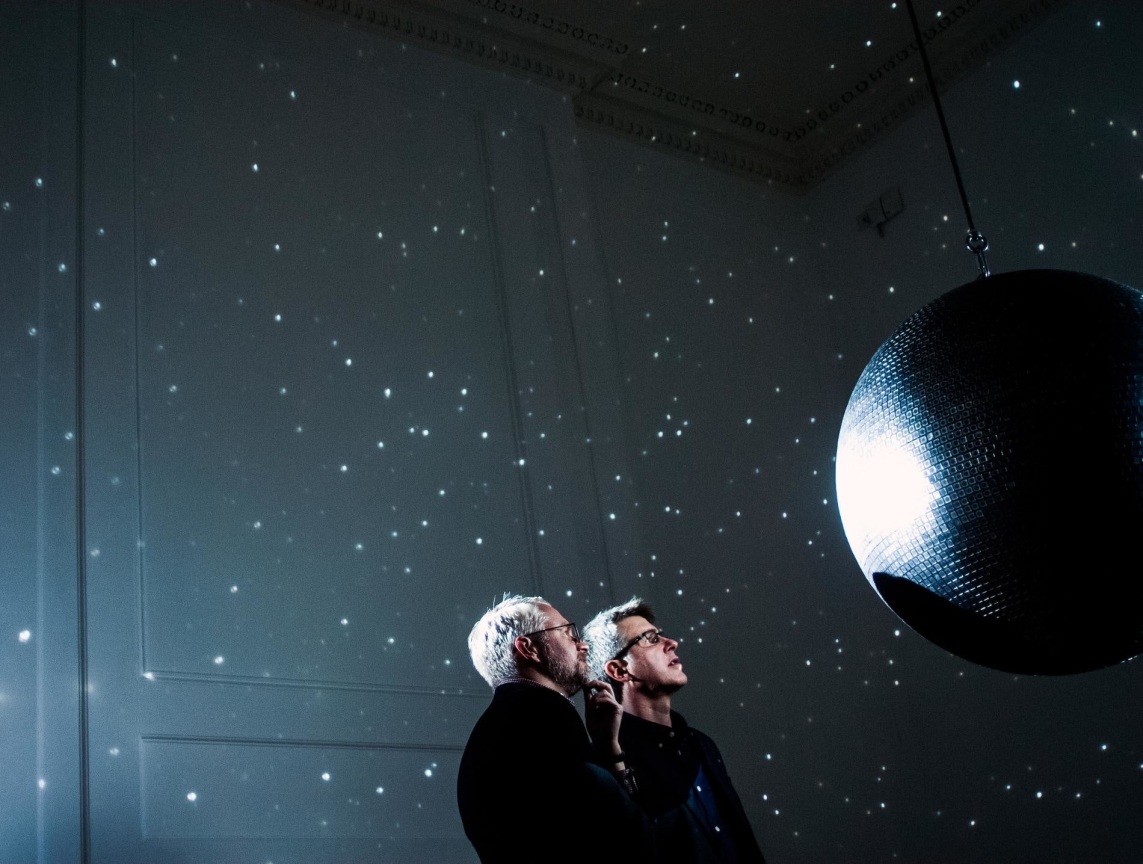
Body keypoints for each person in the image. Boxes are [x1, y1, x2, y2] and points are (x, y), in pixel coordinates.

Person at [457, 594, 656, 863]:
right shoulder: (542, 714)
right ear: (528, 648)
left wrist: (607, 748)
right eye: (567, 633)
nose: (582, 645)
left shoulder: (500, 724)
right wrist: (612, 757)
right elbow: (624, 835)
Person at [583, 597, 766, 864]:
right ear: (619, 670)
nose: (672, 643)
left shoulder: (701, 744)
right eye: (649, 638)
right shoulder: (610, 761)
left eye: (661, 635)